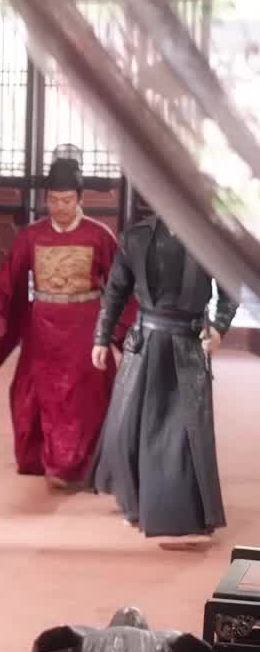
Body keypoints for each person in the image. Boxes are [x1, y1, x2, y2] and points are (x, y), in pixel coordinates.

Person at [90, 205, 237, 538]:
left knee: (183, 432)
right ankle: (135, 504)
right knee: (131, 427)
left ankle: (183, 513)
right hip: (144, 342)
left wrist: (218, 328)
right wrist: (101, 337)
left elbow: (230, 290)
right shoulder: (135, 237)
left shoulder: (211, 238)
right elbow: (115, 293)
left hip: (188, 344)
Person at [0, 155, 126, 489]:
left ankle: (80, 462)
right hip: (43, 327)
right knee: (39, 392)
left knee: (85, 395)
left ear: (80, 198)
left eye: (66, 200)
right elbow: (7, 283)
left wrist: (119, 331)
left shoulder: (98, 235)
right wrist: (3, 323)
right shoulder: (31, 236)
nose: (59, 207)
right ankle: (48, 458)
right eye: (53, 200)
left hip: (85, 326)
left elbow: (120, 286)